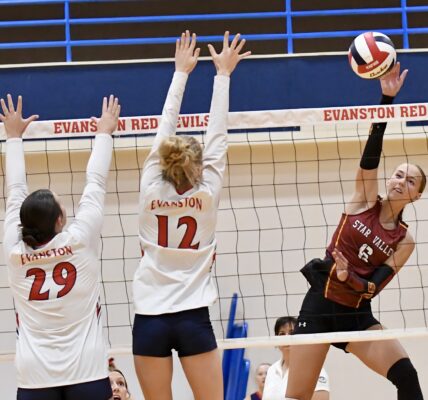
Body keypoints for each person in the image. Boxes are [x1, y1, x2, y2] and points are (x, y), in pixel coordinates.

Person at [285, 62, 426, 400]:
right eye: (398, 175)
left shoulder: (404, 240)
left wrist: (350, 278)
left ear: (416, 195)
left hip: (356, 314)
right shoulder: (364, 200)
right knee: (298, 396)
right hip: (320, 305)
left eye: (410, 181)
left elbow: (374, 286)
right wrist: (386, 100)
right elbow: (370, 156)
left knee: (407, 376)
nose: (400, 182)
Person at [132, 30, 250, 400]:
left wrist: (180, 72)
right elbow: (218, 134)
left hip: (149, 318)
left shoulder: (150, 187)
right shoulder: (207, 192)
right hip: (193, 317)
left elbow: (165, 125)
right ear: (199, 167)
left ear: (164, 162)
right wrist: (223, 75)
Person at [2, 93, 120, 400]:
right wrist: (104, 133)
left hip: (35, 375)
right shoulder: (80, 241)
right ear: (59, 220)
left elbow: (15, 192)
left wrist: (12, 137)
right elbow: (95, 183)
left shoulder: (14, 252)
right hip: (87, 371)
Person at [263, 317, 329, 400]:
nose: (286, 337)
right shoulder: (271, 370)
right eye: (282, 334)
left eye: (291, 333)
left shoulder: (312, 368)